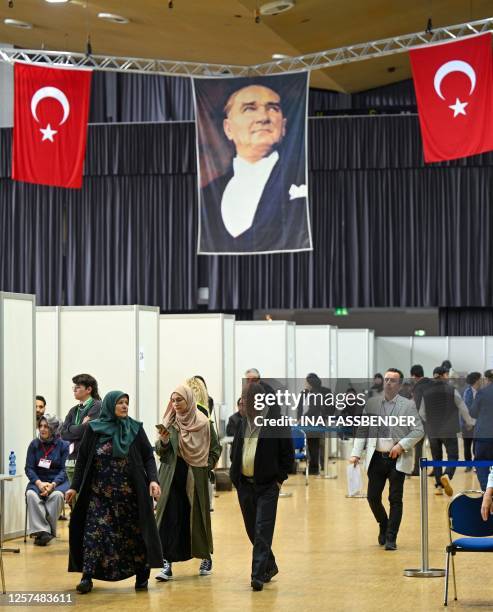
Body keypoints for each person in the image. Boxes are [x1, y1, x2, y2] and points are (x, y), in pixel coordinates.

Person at [65, 391, 162, 594]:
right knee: (94, 535)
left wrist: (153, 480)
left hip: (130, 496)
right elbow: (82, 460)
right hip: (99, 495)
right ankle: (87, 576)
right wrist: (74, 486)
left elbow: (148, 457)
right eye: (120, 403)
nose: (125, 406)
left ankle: (142, 575)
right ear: (110, 405)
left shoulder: (135, 429)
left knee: (133, 535)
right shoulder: (94, 429)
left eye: (127, 403)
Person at [200, 83, 310, 253]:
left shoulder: (303, 178)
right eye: (249, 109)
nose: (263, 118)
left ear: (284, 127)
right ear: (228, 129)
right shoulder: (206, 197)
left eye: (273, 108)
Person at [230, 382, 294, 591]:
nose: (243, 403)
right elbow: (236, 452)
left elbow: (288, 456)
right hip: (245, 485)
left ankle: (257, 575)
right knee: (252, 530)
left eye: (248, 399)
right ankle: (270, 564)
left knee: (262, 529)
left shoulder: (277, 423)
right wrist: (236, 479)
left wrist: (278, 480)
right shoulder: (241, 423)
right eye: (243, 399)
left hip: (267, 486)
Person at [350, 369, 423, 551]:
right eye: (387, 379)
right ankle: (384, 523)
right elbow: (362, 430)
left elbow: (418, 431)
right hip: (376, 458)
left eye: (393, 380)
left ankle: (391, 537)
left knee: (395, 499)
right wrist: (356, 453)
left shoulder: (408, 405)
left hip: (397, 458)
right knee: (373, 497)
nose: (388, 383)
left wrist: (402, 445)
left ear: (399, 385)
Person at [154, 385, 221, 582]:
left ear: (189, 401)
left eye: (179, 400)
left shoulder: (204, 424)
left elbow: (216, 449)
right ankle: (166, 563)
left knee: (198, 517)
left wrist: (204, 466)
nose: (175, 404)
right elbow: (161, 451)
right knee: (168, 519)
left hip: (195, 477)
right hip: (171, 477)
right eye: (173, 400)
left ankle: (205, 556)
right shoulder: (170, 422)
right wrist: (164, 442)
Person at [420, 366, 475, 496]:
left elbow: (421, 412)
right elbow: (462, 407)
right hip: (449, 430)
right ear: (443, 375)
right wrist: (470, 422)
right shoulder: (451, 390)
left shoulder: (426, 391)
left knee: (436, 457)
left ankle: (439, 485)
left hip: (432, 430)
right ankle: (447, 475)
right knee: (453, 456)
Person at [25, 414, 69, 546]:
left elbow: (65, 469)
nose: (42, 429)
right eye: (41, 426)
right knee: (31, 495)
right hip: (38, 480)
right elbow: (29, 468)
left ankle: (43, 532)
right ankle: (45, 532)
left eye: (46, 426)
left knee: (57, 496)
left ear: (54, 429)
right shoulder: (34, 444)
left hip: (58, 481)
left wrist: (53, 485)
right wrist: (39, 483)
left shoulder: (64, 445)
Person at [61, 374, 102, 487]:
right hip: (72, 460)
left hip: (88, 460)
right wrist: (80, 426)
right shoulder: (73, 410)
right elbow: (63, 433)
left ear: (89, 389)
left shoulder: (97, 406)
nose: (74, 389)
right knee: (72, 501)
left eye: (78, 387)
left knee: (83, 500)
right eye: (74, 387)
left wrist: (71, 428)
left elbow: (87, 430)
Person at [296, 373, 333, 475]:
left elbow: (327, 408)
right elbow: (300, 407)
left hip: (317, 422)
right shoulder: (304, 393)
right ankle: (314, 467)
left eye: (306, 382)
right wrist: (299, 418)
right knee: (312, 445)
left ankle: (319, 467)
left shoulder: (322, 392)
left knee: (318, 445)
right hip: (307, 422)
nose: (305, 384)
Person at [470, 370, 493, 490]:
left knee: (481, 463)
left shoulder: (482, 393)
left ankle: (487, 492)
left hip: (484, 435)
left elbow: (473, 412)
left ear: (487, 379)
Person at [410, 365, 432, 476]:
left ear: (414, 376)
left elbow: (418, 406)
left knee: (418, 444)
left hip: (423, 420)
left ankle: (417, 469)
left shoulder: (418, 386)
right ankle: (436, 470)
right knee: (434, 445)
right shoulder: (431, 383)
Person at [463, 371, 482, 472]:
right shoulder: (467, 392)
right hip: (467, 423)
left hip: (478, 423)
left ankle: (475, 464)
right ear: (476, 380)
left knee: (476, 445)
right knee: (467, 445)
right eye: (480, 379)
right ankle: (468, 464)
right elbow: (465, 408)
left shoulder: (482, 391)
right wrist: (468, 422)